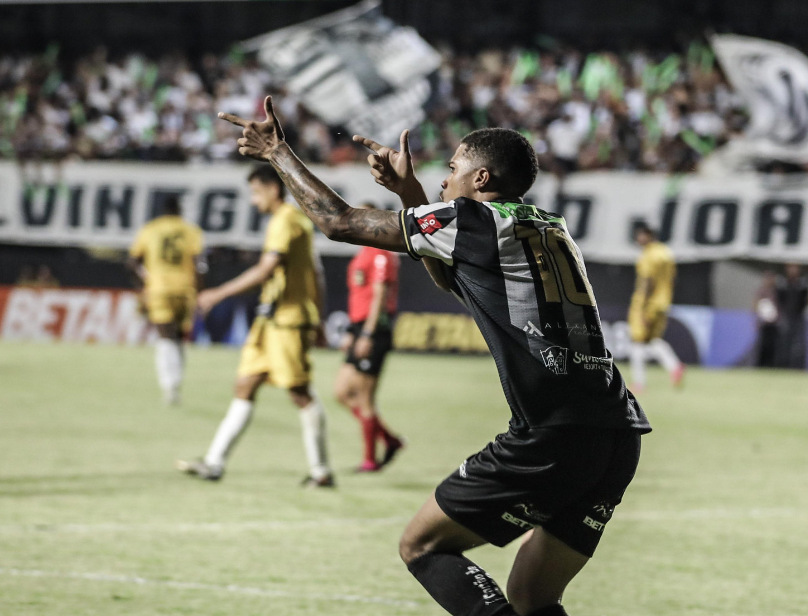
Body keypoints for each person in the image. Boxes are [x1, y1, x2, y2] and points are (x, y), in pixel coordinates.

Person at [218, 96, 649, 616]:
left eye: (452, 170)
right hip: (617, 432)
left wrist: (278, 152)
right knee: (535, 598)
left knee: (421, 546)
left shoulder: (472, 221)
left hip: (551, 433)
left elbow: (337, 222)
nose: (444, 180)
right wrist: (410, 194)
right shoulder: (546, 225)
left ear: (482, 179)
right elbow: (450, 276)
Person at [177, 165, 334, 488]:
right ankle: (214, 463)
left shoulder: (286, 221)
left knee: (300, 393)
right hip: (271, 321)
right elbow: (315, 272)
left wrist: (217, 293)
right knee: (245, 385)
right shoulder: (292, 221)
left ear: (273, 189)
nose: (252, 201)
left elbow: (266, 270)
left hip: (288, 321)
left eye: (255, 192)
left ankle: (321, 472)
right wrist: (318, 313)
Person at [333, 202, 405, 472]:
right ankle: (390, 440)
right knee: (341, 392)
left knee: (364, 399)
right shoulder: (365, 252)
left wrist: (366, 333)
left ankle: (370, 460)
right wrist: (353, 332)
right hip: (360, 327)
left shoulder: (381, 253)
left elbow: (379, 297)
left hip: (374, 330)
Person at [128, 196, 205, 405]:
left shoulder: (150, 229)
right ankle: (176, 381)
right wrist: (199, 292)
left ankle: (169, 385)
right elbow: (199, 264)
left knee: (165, 336)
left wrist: (144, 281)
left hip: (159, 288)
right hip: (185, 288)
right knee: (179, 336)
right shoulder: (191, 231)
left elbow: (133, 261)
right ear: (179, 210)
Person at [626, 222, 684, 392]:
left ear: (647, 236)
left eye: (640, 235)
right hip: (663, 303)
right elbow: (672, 279)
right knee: (650, 340)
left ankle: (639, 383)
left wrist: (643, 308)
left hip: (647, 304)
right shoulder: (666, 253)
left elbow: (647, 282)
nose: (638, 239)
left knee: (637, 341)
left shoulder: (649, 256)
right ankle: (674, 367)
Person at [753, 270, 781, 368]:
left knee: (773, 345)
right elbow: (756, 305)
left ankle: (771, 364)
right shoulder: (762, 291)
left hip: (774, 323)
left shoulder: (777, 291)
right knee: (762, 345)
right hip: (763, 323)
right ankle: (760, 365)